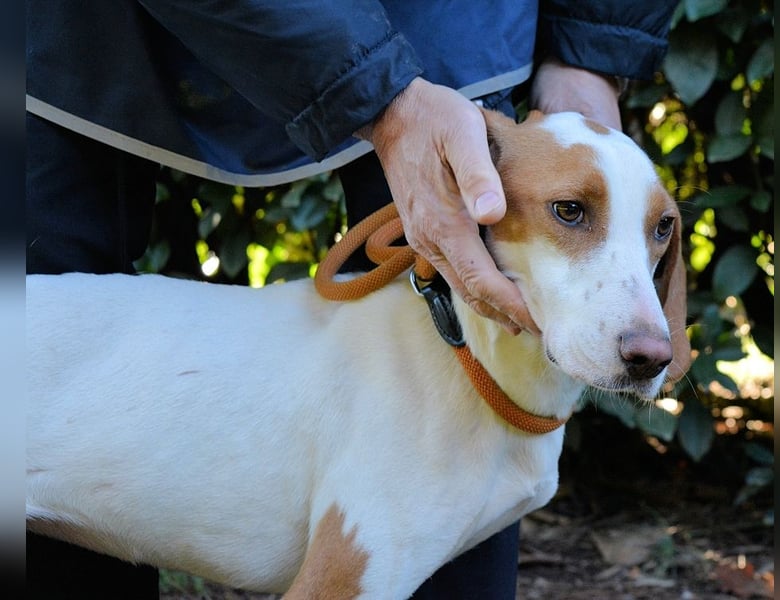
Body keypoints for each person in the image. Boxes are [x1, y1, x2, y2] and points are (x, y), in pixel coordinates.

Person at [26, 1, 679, 597]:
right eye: (569, 211)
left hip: (444, 33)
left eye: (658, 230)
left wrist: (592, 56)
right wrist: (384, 99)